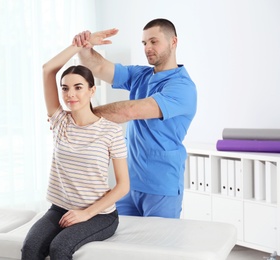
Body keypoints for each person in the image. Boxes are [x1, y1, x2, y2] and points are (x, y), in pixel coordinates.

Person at [73, 18, 197, 219]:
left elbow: (131, 111)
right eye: (144, 43)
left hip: (161, 186)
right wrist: (85, 47)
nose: (147, 48)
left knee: (157, 247)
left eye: (154, 41)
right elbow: (98, 67)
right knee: (120, 244)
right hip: (129, 184)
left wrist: (80, 115)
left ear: (173, 42)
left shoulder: (183, 87)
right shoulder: (141, 75)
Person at [21, 36, 130, 260]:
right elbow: (47, 69)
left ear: (91, 90)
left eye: (78, 87)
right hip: (59, 209)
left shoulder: (110, 131)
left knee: (60, 248)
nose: (71, 94)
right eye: (65, 88)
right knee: (30, 248)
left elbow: (123, 186)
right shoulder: (59, 121)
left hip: (99, 215)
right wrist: (79, 44)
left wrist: (85, 214)